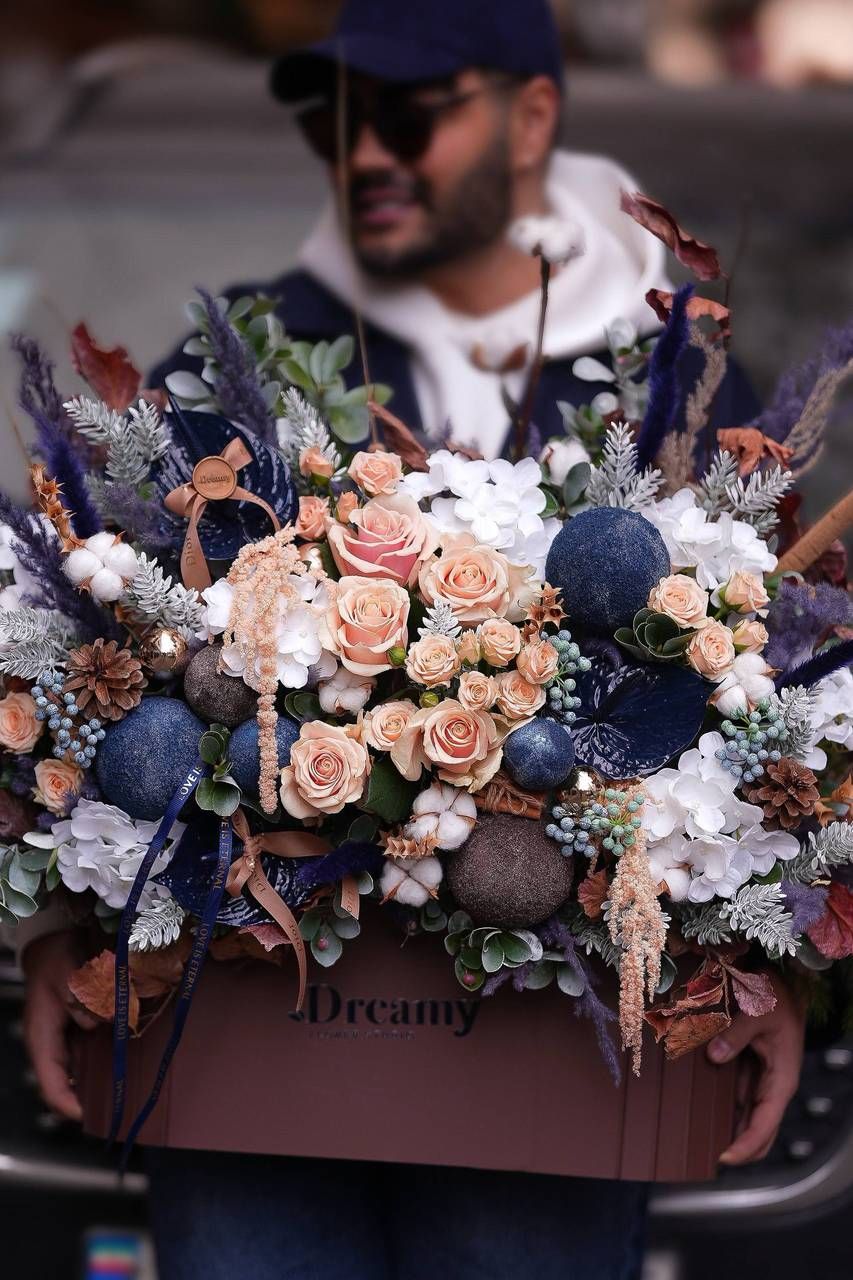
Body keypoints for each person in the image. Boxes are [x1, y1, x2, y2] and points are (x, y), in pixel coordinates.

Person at [22, 2, 806, 1277]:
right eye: (335, 122)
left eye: (407, 114)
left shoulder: (672, 378)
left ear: (531, 116)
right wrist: (63, 923)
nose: (365, 152)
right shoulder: (239, 361)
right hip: (251, 1066)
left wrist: (775, 976)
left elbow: (778, 688)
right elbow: (102, 660)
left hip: (555, 1077)